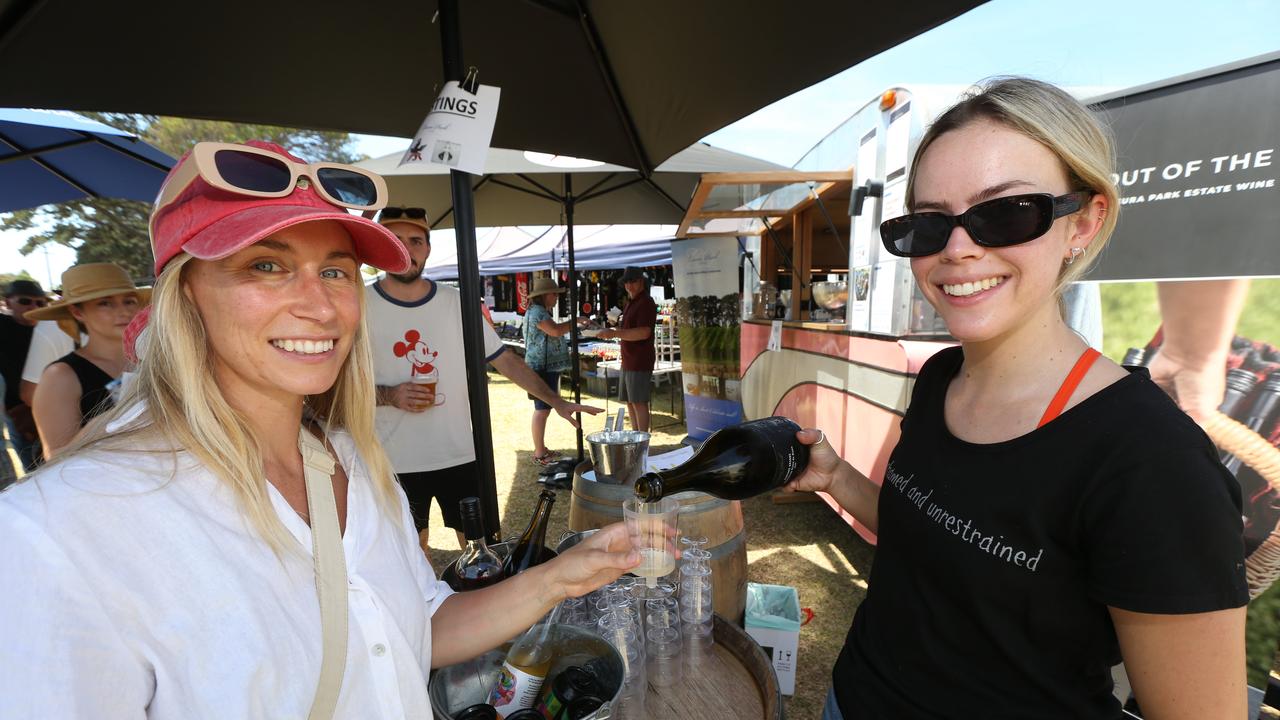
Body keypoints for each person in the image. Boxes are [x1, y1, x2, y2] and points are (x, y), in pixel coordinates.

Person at [0, 140, 639, 718]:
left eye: (335, 270)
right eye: (266, 267)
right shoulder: (61, 530)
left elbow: (419, 624)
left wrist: (562, 577)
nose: (321, 303)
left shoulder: (350, 460)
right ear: (184, 294)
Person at [783, 79, 1248, 719]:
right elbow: (927, 543)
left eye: (1005, 213)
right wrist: (837, 478)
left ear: (1085, 221)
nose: (957, 248)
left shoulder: (1150, 463)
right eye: (928, 224)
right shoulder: (941, 377)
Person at [366, 207, 601, 550]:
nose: (406, 249)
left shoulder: (457, 303)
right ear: (380, 246)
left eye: (416, 240)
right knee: (408, 554)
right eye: (395, 240)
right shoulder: (358, 304)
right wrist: (389, 395)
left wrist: (557, 401)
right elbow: (336, 384)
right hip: (392, 459)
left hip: (459, 454)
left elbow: (504, 359)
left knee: (479, 549)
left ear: (429, 249)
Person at [27, 263, 147, 458]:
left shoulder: (149, 363)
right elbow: (54, 458)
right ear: (77, 312)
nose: (123, 311)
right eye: (105, 303)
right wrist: (105, 424)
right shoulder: (61, 376)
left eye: (129, 301)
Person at [522, 277, 588, 466]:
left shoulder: (537, 311)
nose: (557, 298)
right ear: (545, 295)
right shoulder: (538, 312)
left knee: (543, 409)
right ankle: (539, 453)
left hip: (543, 367)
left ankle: (541, 449)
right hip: (541, 368)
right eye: (554, 294)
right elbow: (555, 331)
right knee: (542, 410)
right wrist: (575, 321)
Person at [597, 266, 657, 432]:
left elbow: (644, 332)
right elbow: (632, 329)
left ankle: (642, 440)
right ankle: (636, 438)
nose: (629, 285)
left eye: (633, 281)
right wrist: (615, 327)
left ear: (641, 282)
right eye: (626, 282)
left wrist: (615, 332)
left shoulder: (645, 302)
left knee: (638, 401)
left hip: (639, 360)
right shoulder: (631, 302)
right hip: (629, 359)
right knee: (631, 401)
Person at [0, 278, 47, 471]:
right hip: (15, 412)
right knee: (29, 463)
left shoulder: (50, 328)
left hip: (47, 403)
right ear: (9, 302)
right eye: (25, 301)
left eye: (40, 302)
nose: (33, 306)